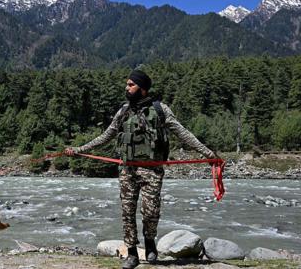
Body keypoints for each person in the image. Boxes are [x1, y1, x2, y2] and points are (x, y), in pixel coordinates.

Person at [65, 69, 217, 269]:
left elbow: (183, 133)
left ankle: (150, 243)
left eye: (131, 85)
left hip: (152, 171)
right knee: (127, 212)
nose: (126, 88)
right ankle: (132, 254)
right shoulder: (123, 111)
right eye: (127, 84)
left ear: (143, 89)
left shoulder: (161, 110)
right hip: (128, 171)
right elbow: (106, 136)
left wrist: (208, 154)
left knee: (150, 212)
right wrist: (79, 150)